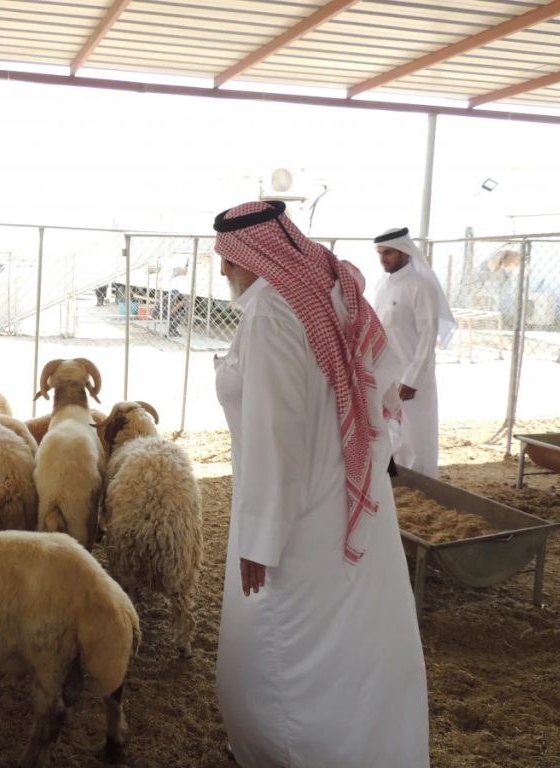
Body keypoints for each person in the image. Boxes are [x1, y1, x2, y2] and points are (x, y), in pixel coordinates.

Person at [212, 200, 428, 768]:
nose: (223, 270)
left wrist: (260, 538)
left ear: (250, 255)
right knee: (355, 633)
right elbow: (377, 374)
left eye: (227, 259)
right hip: (351, 488)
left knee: (291, 640)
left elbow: (274, 433)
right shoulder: (332, 284)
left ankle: (291, 750)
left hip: (300, 509)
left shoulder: (270, 312)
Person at [372, 227, 455, 478]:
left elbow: (428, 337)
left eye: (389, 253)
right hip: (387, 372)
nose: (383, 258)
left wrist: (412, 379)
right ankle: (398, 481)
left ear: (405, 252)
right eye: (380, 253)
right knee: (391, 429)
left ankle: (422, 481)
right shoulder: (382, 286)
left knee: (416, 433)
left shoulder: (421, 286)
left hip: (412, 375)